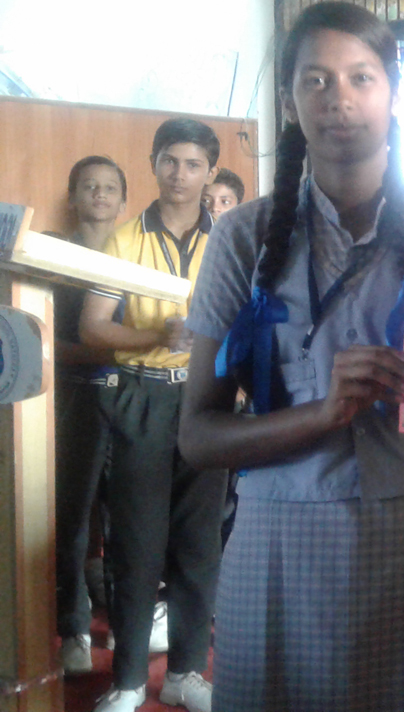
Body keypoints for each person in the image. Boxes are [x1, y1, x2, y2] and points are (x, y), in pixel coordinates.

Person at [177, 1, 404, 712]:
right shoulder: (242, 239)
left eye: (360, 77)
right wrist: (323, 414)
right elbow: (198, 437)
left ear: (395, 91)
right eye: (316, 80)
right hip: (280, 545)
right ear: (289, 102)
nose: (339, 98)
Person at [78, 120, 226, 712]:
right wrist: (154, 336)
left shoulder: (231, 240)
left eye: (192, 164)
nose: (179, 175)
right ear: (154, 162)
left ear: (210, 173)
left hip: (208, 399)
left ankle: (186, 672)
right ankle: (129, 680)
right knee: (136, 544)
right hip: (143, 394)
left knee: (199, 545)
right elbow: (93, 327)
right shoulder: (124, 240)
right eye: (169, 161)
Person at [52, 156, 126, 674]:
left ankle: (126, 619)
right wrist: (121, 349)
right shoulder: (53, 257)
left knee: (127, 519)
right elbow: (45, 340)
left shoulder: (136, 254)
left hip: (128, 400)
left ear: (123, 200)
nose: (99, 194)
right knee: (73, 520)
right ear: (73, 196)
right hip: (73, 399)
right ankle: (74, 627)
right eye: (89, 186)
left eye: (109, 187)